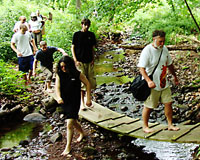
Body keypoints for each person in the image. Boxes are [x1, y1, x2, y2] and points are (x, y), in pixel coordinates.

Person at [137, 30, 180, 133]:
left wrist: (175, 76)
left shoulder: (164, 49)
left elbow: (169, 64)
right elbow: (141, 68)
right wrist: (148, 81)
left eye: (163, 41)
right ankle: (145, 126)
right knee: (149, 106)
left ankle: (170, 124)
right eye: (160, 41)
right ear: (154, 39)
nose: (162, 43)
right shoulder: (147, 50)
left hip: (163, 82)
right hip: (152, 84)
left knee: (168, 103)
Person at [55, 56, 92, 156]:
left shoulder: (77, 74)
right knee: (73, 120)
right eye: (62, 67)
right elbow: (57, 87)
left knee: (69, 123)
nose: (63, 69)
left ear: (70, 66)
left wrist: (88, 98)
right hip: (64, 100)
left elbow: (88, 84)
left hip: (75, 100)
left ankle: (68, 146)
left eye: (65, 66)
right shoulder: (59, 74)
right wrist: (58, 97)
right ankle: (82, 133)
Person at [71, 18, 96, 110]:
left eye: (88, 25)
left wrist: (93, 59)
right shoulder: (77, 35)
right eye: (85, 24)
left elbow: (93, 48)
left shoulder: (91, 35)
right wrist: (75, 60)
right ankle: (82, 103)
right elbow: (72, 47)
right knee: (82, 82)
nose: (86, 26)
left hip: (89, 61)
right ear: (81, 24)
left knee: (90, 81)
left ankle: (89, 99)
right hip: (80, 62)